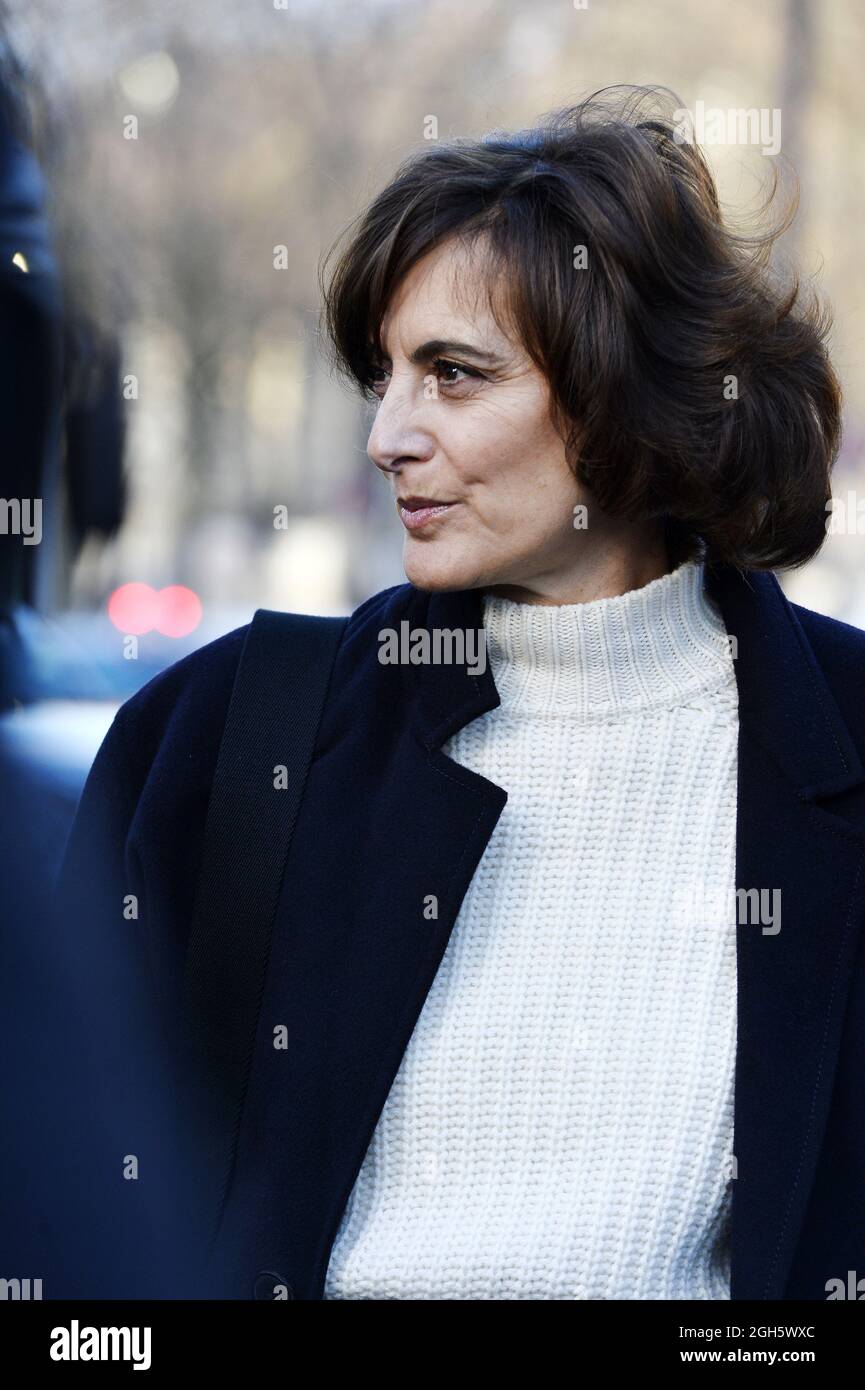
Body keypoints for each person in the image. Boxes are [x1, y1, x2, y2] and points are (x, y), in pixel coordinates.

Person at [56, 86, 865, 1302]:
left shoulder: (840, 739)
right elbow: (68, 1221)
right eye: (383, 374)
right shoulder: (224, 738)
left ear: (624, 392)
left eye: (453, 374)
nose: (387, 434)